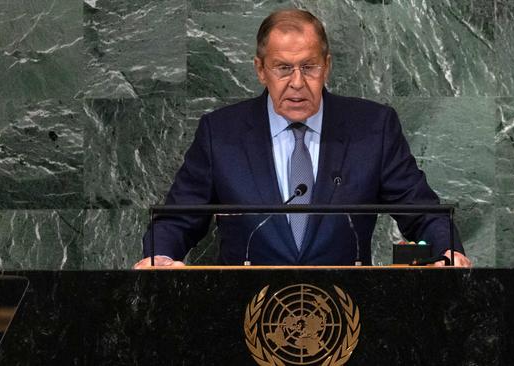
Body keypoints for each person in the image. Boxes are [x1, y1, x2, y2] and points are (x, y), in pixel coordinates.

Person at [134, 9, 472, 268]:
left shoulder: (372, 128)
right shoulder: (220, 134)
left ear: (326, 66)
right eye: (283, 68)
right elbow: (177, 220)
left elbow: (424, 212)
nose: (297, 82)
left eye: (308, 67)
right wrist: (159, 257)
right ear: (260, 69)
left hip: (347, 319)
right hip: (242, 319)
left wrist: (447, 250)